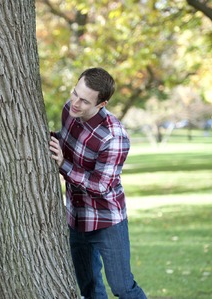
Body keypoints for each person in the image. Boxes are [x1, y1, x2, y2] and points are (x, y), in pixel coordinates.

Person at [49, 67, 147, 298]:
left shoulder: (114, 137)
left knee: (122, 287)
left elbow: (100, 186)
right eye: (75, 93)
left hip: (106, 220)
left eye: (84, 101)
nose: (75, 102)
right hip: (76, 216)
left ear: (101, 104)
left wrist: (63, 164)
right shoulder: (69, 110)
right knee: (90, 288)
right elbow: (65, 141)